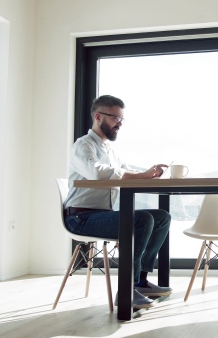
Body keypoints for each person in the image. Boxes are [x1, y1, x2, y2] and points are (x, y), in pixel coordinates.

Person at [63, 94, 171, 310]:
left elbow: (124, 171)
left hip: (100, 215)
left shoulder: (110, 151)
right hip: (80, 218)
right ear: (98, 116)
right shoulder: (83, 145)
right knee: (141, 220)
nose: (120, 124)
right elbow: (98, 173)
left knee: (161, 217)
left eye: (122, 119)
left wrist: (147, 174)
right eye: (115, 118)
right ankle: (126, 290)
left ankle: (140, 281)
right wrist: (142, 176)